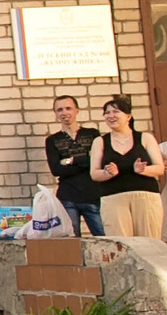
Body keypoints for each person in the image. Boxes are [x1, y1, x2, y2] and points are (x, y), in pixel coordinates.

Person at [88, 95, 165, 240]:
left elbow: (160, 168)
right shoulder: (100, 141)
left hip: (146, 197)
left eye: (115, 112)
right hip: (113, 198)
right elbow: (94, 173)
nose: (111, 115)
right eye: (107, 112)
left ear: (128, 116)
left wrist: (143, 170)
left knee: (150, 243)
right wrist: (108, 173)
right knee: (122, 244)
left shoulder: (145, 138)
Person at [46, 96, 105, 236]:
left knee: (104, 237)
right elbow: (56, 170)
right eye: (59, 109)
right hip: (67, 196)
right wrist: (85, 161)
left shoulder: (92, 134)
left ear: (77, 111)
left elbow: (98, 161)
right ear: (55, 114)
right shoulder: (52, 140)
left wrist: (70, 160)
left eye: (68, 108)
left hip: (92, 195)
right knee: (73, 241)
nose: (64, 112)